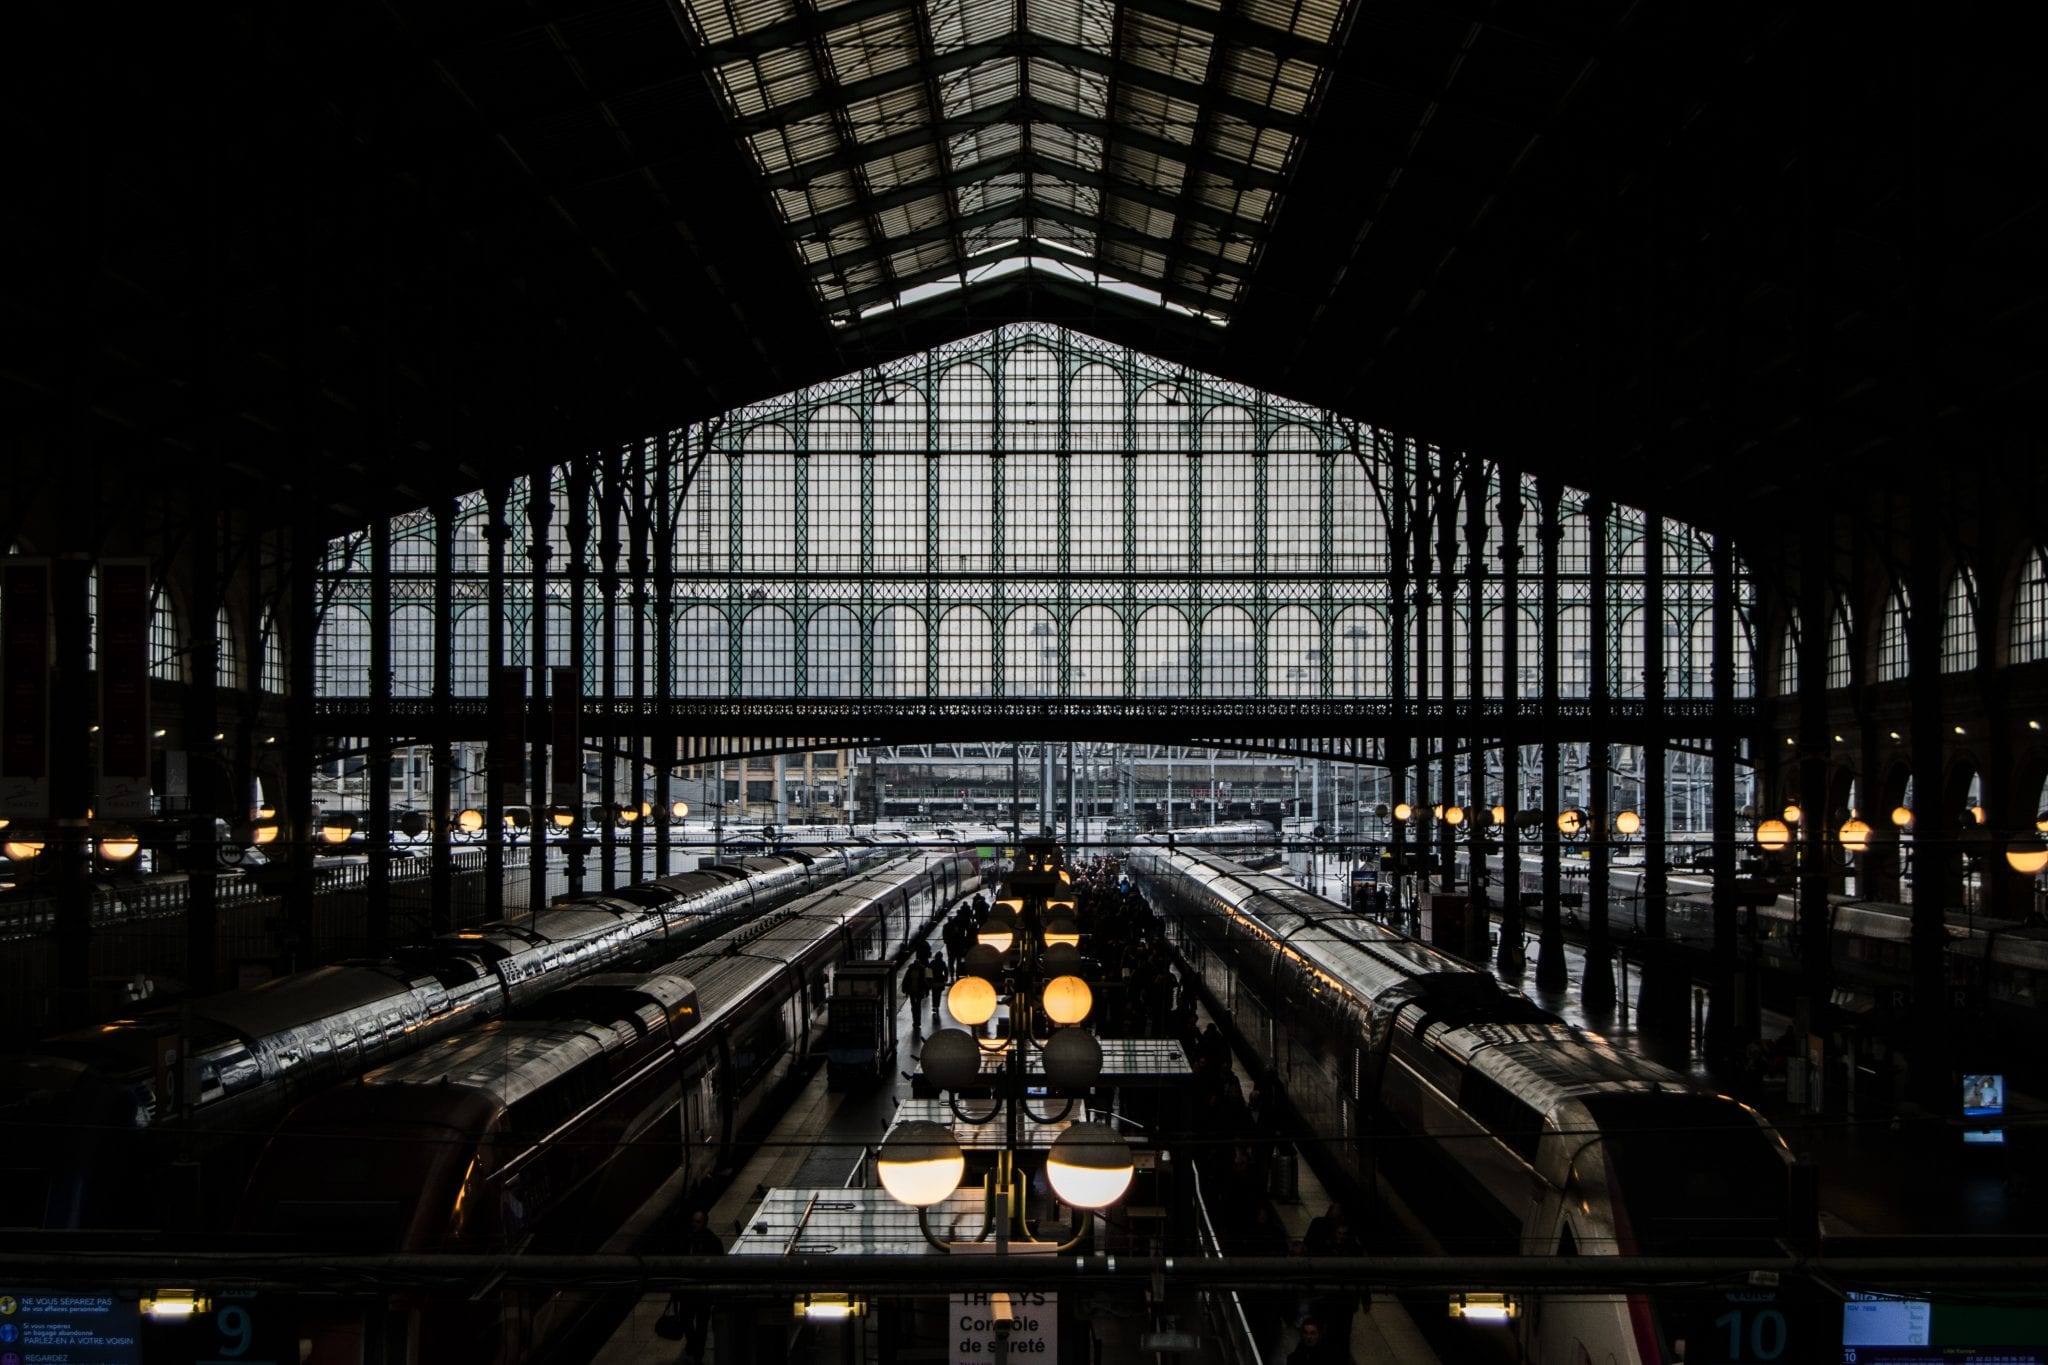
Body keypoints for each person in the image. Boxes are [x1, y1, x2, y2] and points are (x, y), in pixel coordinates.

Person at [679, 1208, 724, 1364]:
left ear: (704, 1223)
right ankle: (694, 1345)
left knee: (702, 1324)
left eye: (697, 1222)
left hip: (703, 1291)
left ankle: (697, 1352)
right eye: (693, 1221)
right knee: (686, 1319)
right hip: (688, 1289)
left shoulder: (712, 1241)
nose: (694, 1224)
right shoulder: (687, 1239)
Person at [901, 954, 930, 1034]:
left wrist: (927, 991)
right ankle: (916, 1021)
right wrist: (904, 989)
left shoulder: (921, 970)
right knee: (914, 1006)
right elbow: (906, 980)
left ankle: (917, 1021)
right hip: (912, 991)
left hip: (917, 991)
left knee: (916, 1006)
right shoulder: (915, 969)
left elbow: (926, 981)